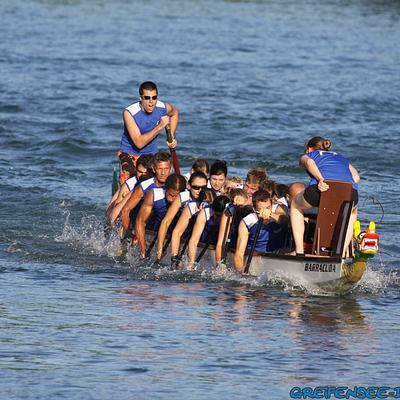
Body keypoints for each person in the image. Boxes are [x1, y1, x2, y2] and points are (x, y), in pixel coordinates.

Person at [290, 136, 360, 255]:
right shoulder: (340, 157)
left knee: (295, 205)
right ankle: (342, 253)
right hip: (349, 192)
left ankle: (299, 251)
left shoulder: (309, 155)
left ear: (309, 149)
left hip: (321, 188)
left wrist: (320, 179)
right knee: (352, 211)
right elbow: (356, 177)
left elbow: (308, 162)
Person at [119, 81, 179, 179]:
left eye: (154, 97)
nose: (151, 102)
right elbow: (139, 143)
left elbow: (174, 113)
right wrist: (160, 127)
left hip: (151, 153)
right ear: (141, 98)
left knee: (160, 179)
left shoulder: (162, 107)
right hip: (130, 154)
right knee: (131, 183)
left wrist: (171, 136)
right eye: (147, 98)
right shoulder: (129, 113)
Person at [234, 190, 289, 273]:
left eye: (268, 208)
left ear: (272, 205)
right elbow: (239, 253)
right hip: (256, 255)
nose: (264, 212)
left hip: (278, 254)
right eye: (260, 209)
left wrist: (270, 214)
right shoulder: (247, 222)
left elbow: (284, 220)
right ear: (254, 209)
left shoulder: (279, 213)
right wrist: (240, 273)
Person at [156, 172, 208, 260]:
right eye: (196, 187)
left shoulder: (210, 196)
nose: (200, 190)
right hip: (181, 229)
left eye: (203, 187)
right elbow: (166, 222)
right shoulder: (182, 197)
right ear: (189, 186)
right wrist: (160, 249)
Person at [120, 151, 172, 236]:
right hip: (145, 225)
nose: (163, 173)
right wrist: (128, 234)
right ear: (154, 169)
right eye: (160, 169)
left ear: (170, 169)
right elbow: (125, 210)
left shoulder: (175, 183)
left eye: (166, 169)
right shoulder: (143, 186)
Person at [135, 174, 187, 258]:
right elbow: (140, 222)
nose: (173, 200)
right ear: (165, 188)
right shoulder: (154, 194)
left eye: (176, 196)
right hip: (154, 228)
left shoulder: (187, 197)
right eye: (171, 195)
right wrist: (142, 248)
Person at [169, 188, 216, 266]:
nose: (206, 207)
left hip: (206, 239)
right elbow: (176, 232)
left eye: (209, 204)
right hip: (188, 236)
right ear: (199, 202)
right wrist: (174, 256)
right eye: (204, 203)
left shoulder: (214, 210)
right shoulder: (191, 206)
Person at [107, 154, 154, 223]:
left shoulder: (155, 180)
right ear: (136, 170)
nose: (142, 176)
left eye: (145, 173)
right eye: (140, 172)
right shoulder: (130, 184)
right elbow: (114, 215)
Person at [187, 195, 230, 268]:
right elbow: (193, 240)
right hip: (205, 240)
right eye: (217, 215)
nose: (219, 219)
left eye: (221, 216)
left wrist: (220, 266)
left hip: (221, 243)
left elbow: (221, 244)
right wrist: (191, 262)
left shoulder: (229, 214)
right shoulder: (205, 212)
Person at [215, 188, 252, 266]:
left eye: (242, 205)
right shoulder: (229, 212)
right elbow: (220, 243)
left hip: (249, 247)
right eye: (238, 206)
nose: (240, 208)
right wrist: (220, 266)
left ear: (248, 199)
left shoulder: (253, 209)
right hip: (232, 244)